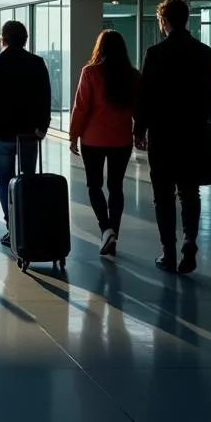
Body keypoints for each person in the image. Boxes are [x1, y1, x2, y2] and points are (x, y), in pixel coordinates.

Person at [135, 0, 211, 275]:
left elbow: (145, 97)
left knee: (163, 195)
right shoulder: (203, 52)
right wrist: (201, 119)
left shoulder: (155, 53)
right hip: (193, 133)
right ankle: (190, 240)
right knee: (189, 191)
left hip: (163, 134)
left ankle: (168, 253)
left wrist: (139, 130)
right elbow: (210, 95)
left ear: (164, 21)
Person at [0, 20, 52, 247]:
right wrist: (43, 125)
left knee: (5, 181)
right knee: (27, 180)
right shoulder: (36, 63)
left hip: (1, 132)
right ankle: (28, 225)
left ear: (2, 39)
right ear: (25, 39)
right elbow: (44, 97)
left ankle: (12, 227)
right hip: (28, 132)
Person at [69, 30, 139, 257]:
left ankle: (105, 228)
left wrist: (73, 135)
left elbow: (81, 108)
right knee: (116, 187)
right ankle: (114, 234)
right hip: (122, 139)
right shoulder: (133, 75)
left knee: (94, 185)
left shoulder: (90, 73)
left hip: (93, 139)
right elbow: (139, 108)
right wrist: (140, 132)